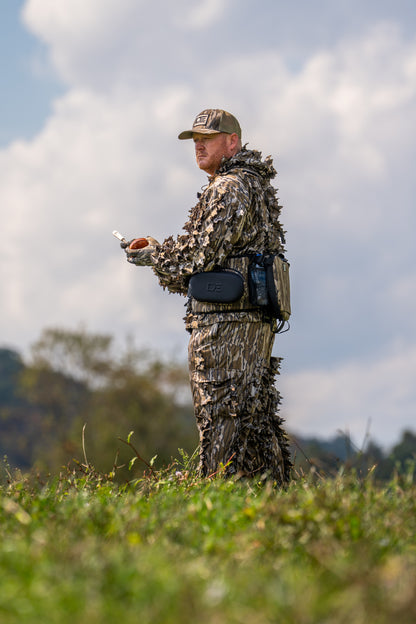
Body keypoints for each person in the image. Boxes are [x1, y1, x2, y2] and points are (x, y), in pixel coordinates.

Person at [122, 108, 292, 483]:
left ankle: (215, 497)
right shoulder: (254, 184)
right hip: (249, 322)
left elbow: (198, 256)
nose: (198, 145)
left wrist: (152, 254)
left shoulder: (229, 187)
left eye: (207, 138)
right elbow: (214, 255)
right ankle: (276, 504)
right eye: (195, 139)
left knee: (222, 417)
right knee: (254, 423)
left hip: (226, 330)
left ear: (232, 142)